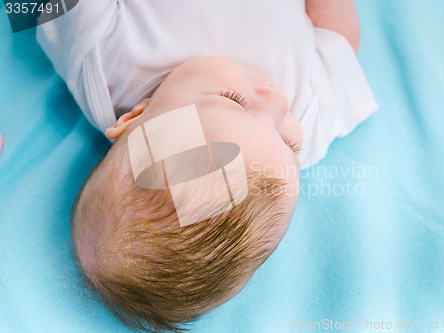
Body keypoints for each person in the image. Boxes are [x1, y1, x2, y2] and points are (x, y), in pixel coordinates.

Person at [37, 0, 378, 331]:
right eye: (289, 143)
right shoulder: (302, 125)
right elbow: (341, 46)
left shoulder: (107, 65)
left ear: (136, 116)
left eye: (233, 99)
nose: (277, 101)